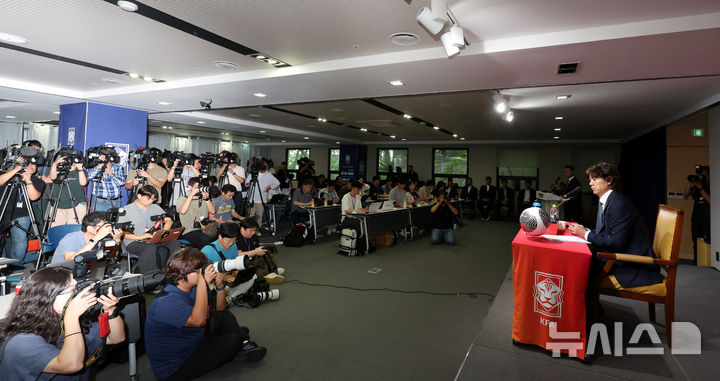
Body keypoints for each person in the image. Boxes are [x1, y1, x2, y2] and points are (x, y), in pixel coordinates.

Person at [145, 248, 266, 381]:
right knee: (234, 339)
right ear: (181, 273)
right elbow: (199, 321)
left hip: (192, 339)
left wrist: (220, 286)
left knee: (226, 318)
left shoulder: (193, 286)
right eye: (197, 270)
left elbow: (220, 308)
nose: (202, 272)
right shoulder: (166, 302)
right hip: (177, 365)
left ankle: (239, 345)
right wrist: (203, 282)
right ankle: (239, 347)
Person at [0, 267, 125, 381]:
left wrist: (109, 310)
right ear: (48, 297)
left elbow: (115, 338)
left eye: (79, 287)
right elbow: (72, 364)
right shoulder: (21, 341)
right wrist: (71, 317)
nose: (79, 294)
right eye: (72, 290)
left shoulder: (76, 318)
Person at [568, 162, 662, 288]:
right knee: (580, 260)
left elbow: (617, 242)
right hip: (619, 257)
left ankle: (589, 306)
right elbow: (607, 232)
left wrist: (586, 234)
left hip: (633, 265)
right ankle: (589, 306)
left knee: (578, 265)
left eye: (595, 179)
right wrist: (586, 231)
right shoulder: (609, 200)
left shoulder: (618, 204)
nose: (590, 183)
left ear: (609, 180)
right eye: (590, 180)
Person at [117, 185, 182, 273]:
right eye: (149, 199)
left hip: (154, 238)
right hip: (134, 241)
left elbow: (169, 220)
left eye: (153, 199)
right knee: (150, 248)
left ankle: (175, 271)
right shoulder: (126, 210)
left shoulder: (155, 207)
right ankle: (151, 277)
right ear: (139, 196)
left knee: (174, 243)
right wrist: (140, 237)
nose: (151, 201)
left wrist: (163, 232)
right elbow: (120, 232)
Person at [0, 159, 46, 262]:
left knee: (20, 242)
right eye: (27, 163)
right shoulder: (7, 175)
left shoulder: (37, 181)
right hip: (2, 213)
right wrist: (16, 170)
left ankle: (15, 265)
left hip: (22, 214)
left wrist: (28, 181)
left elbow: (34, 197)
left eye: (33, 163)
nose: (31, 166)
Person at [50, 211, 123, 264]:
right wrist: (96, 239)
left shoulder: (102, 238)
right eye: (102, 226)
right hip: (60, 274)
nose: (105, 229)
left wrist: (117, 240)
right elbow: (70, 261)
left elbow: (112, 258)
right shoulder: (70, 238)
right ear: (89, 228)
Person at [48, 153, 88, 227]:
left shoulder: (80, 171)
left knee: (73, 231)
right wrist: (55, 164)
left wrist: (80, 168)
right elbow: (52, 178)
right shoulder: (59, 169)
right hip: (58, 205)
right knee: (56, 230)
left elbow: (83, 183)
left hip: (77, 204)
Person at [177, 177, 217, 248]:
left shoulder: (203, 199)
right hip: (188, 231)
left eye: (201, 187)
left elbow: (213, 211)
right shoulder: (182, 199)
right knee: (205, 240)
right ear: (190, 187)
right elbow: (182, 211)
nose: (199, 189)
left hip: (204, 228)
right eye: (197, 187)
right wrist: (191, 195)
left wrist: (207, 199)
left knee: (217, 238)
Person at [684, 165, 710, 262]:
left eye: (704, 175)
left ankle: (706, 263)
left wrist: (700, 188)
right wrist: (690, 182)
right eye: (701, 175)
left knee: (705, 241)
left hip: (707, 218)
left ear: (709, 175)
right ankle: (696, 262)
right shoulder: (697, 186)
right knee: (695, 241)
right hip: (696, 217)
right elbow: (685, 194)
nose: (702, 177)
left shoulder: (711, 186)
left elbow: (710, 200)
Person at [245, 160, 280, 225]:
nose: (264, 166)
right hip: (251, 197)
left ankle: (258, 229)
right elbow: (246, 182)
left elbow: (277, 183)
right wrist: (248, 184)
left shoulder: (269, 175)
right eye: (263, 165)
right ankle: (249, 229)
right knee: (250, 215)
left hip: (261, 199)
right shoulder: (254, 173)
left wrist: (270, 187)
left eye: (266, 165)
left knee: (259, 216)